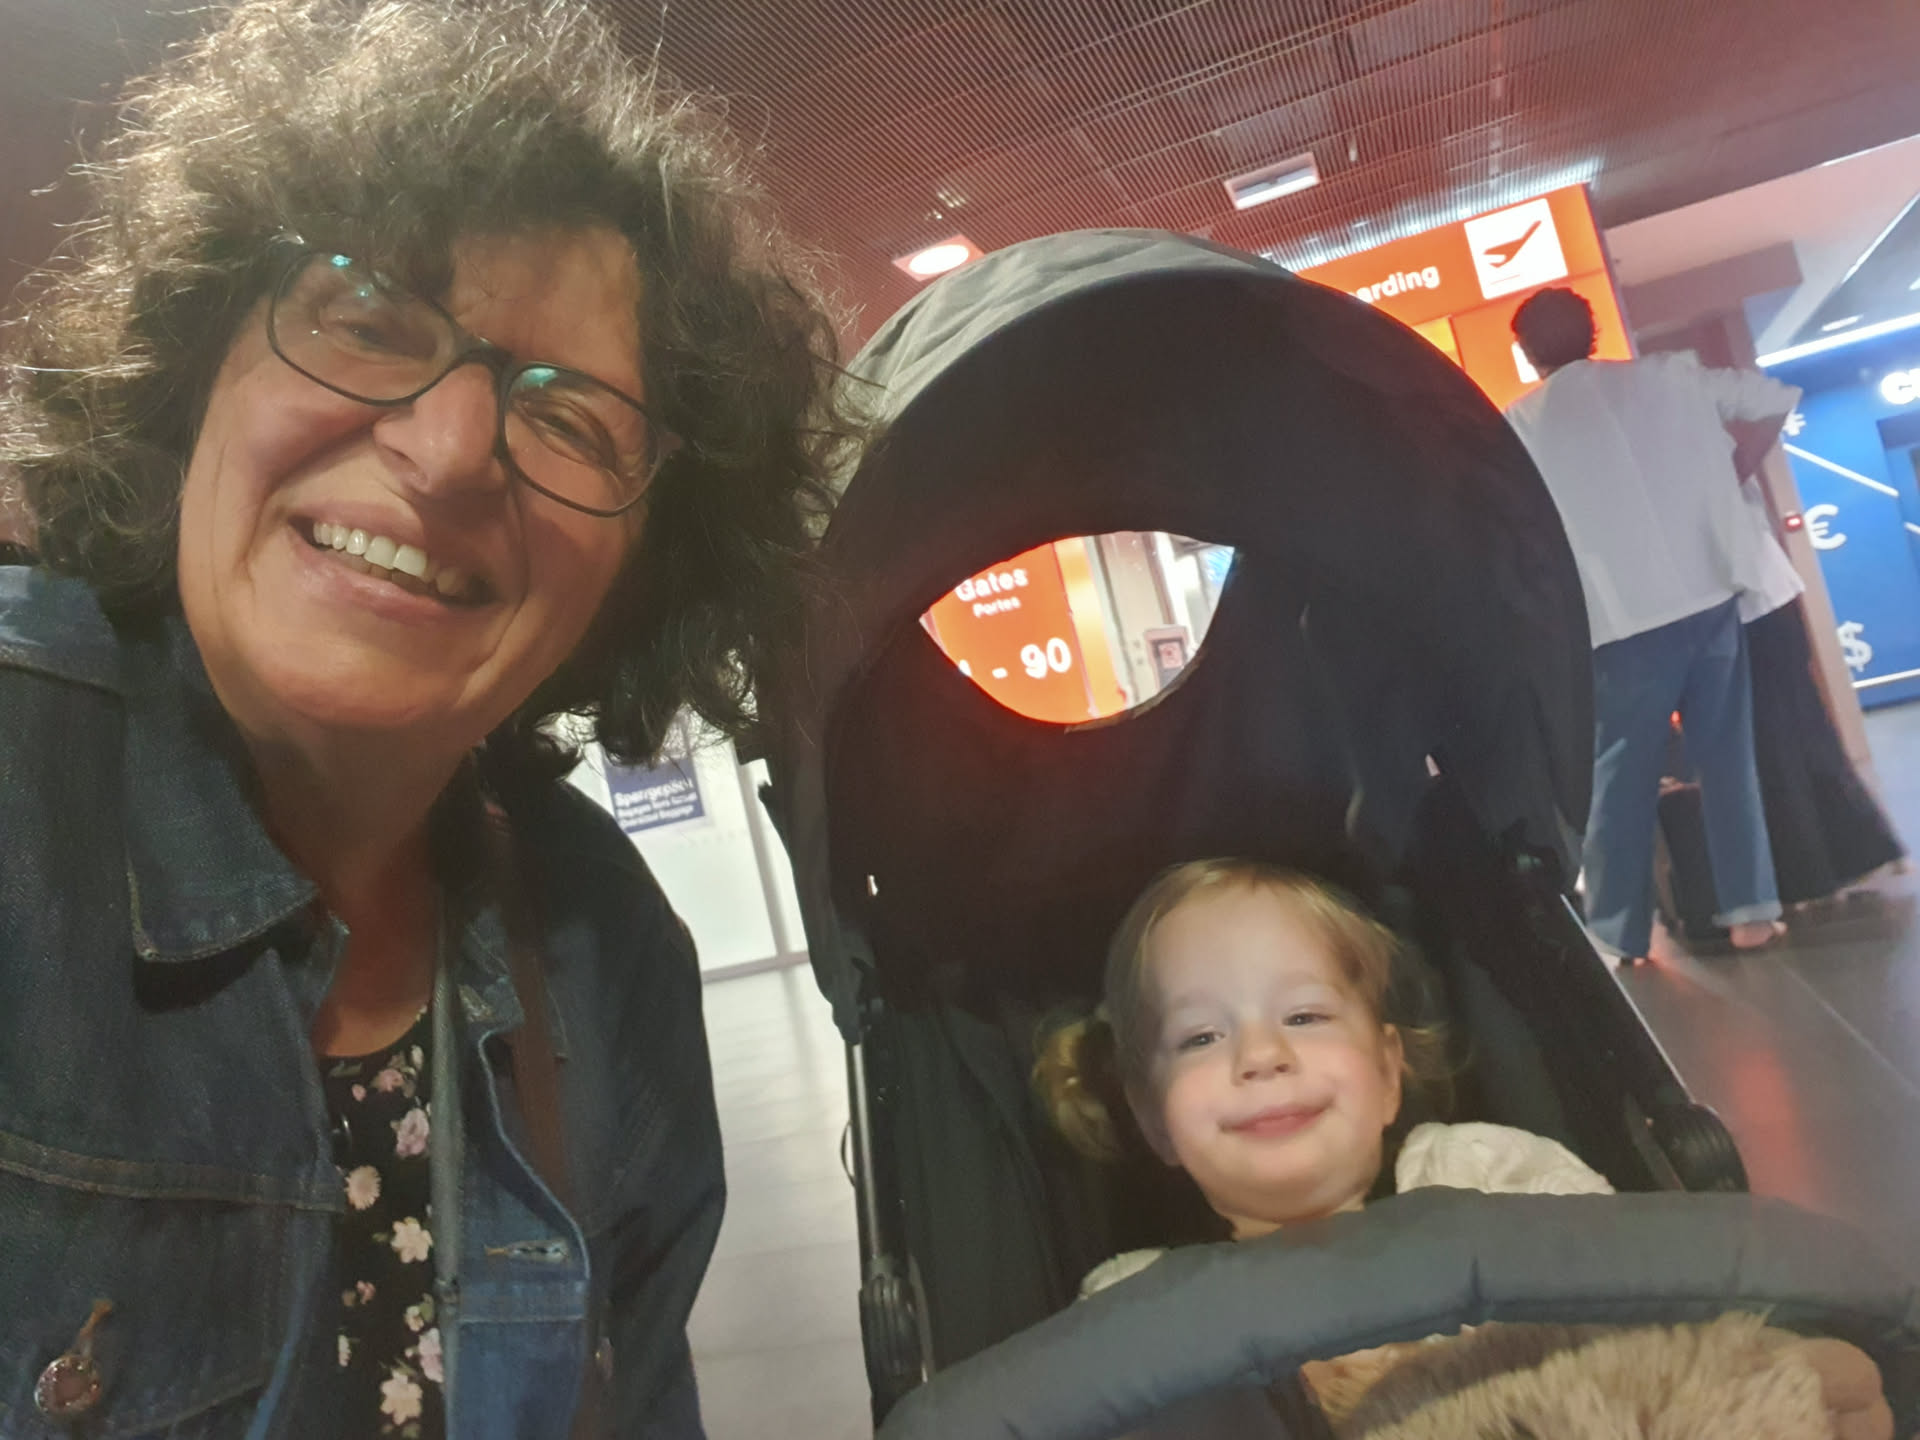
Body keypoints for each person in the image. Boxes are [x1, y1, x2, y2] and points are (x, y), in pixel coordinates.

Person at [0, 0, 855, 1435]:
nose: (451, 451)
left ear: (643, 576)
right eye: (368, 322)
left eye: (570, 418)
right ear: (197, 371)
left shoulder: (608, 958)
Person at [1034, 859, 1891, 1438]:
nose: (1261, 1055)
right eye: (1200, 1037)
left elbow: (1649, 1330)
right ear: (1153, 1119)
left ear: (1388, 1072)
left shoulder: (1481, 1174)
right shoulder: (1138, 1301)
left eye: (1303, 1015)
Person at [1504, 288, 1799, 962]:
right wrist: (1732, 471)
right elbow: (1773, 397)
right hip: (1709, 592)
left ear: (1526, 353)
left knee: (1621, 779)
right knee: (1728, 761)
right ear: (1593, 330)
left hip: (1620, 620)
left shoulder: (1520, 424)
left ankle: (1619, 935)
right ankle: (1751, 915)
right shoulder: (1669, 378)